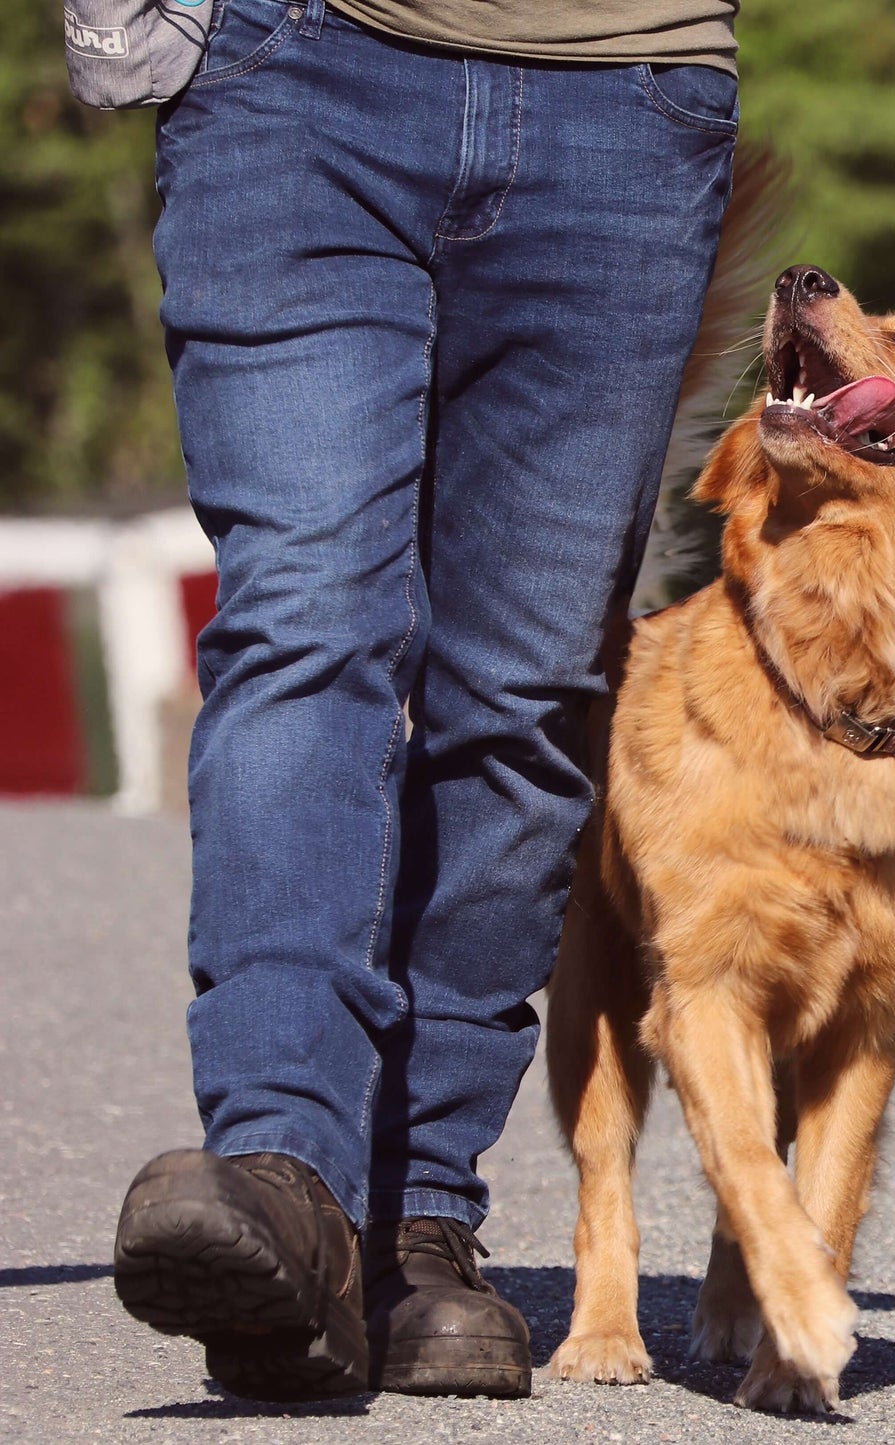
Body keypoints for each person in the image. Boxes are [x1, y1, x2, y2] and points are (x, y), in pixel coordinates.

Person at [110, 0, 738, 1402]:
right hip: (293, 72)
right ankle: (281, 1169)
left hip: (623, 98)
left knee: (523, 687)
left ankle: (405, 1219)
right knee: (305, 617)